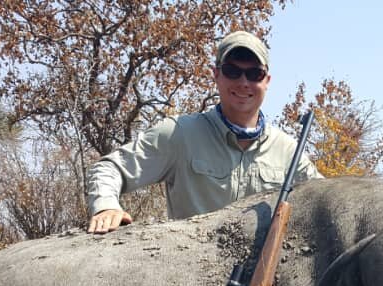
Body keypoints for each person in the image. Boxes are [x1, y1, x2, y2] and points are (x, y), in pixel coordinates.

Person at [86, 31, 321, 234]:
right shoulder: (179, 134)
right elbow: (110, 167)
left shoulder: (290, 152)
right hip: (189, 279)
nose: (243, 82)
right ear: (216, 74)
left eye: (254, 74)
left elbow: (330, 201)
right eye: (232, 71)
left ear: (267, 80)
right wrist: (107, 205)